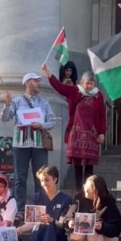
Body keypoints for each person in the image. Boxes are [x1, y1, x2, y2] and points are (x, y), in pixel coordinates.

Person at [41, 63, 106, 191]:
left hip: (91, 137)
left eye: (92, 84)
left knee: (89, 168)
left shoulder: (98, 96)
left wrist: (102, 132)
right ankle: (78, 193)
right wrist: (48, 73)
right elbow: (59, 87)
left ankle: (89, 192)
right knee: (77, 166)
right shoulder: (74, 91)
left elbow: (102, 116)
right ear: (82, 82)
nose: (89, 86)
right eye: (87, 83)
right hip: (76, 135)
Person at [1, 72, 56, 220]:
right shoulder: (17, 101)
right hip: (20, 144)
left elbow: (52, 120)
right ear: (27, 83)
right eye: (36, 81)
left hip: (39, 145)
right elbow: (5, 118)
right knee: (20, 178)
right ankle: (19, 210)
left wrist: (41, 124)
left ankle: (40, 208)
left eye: (39, 81)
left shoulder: (44, 103)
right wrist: (6, 105)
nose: (39, 83)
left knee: (42, 178)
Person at [20, 165, 72, 241]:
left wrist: (52, 220)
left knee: (49, 225)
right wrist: (20, 229)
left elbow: (62, 224)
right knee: (39, 225)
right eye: (42, 181)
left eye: (47, 180)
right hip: (39, 233)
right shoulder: (37, 197)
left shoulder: (65, 199)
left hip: (58, 237)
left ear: (55, 179)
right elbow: (31, 222)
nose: (44, 184)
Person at [68, 174, 121, 241]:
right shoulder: (79, 198)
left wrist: (102, 227)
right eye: (85, 186)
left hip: (105, 238)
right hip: (83, 238)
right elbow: (66, 219)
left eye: (89, 188)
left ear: (97, 191)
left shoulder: (108, 202)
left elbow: (117, 228)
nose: (85, 189)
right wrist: (69, 223)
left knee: (94, 234)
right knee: (77, 235)